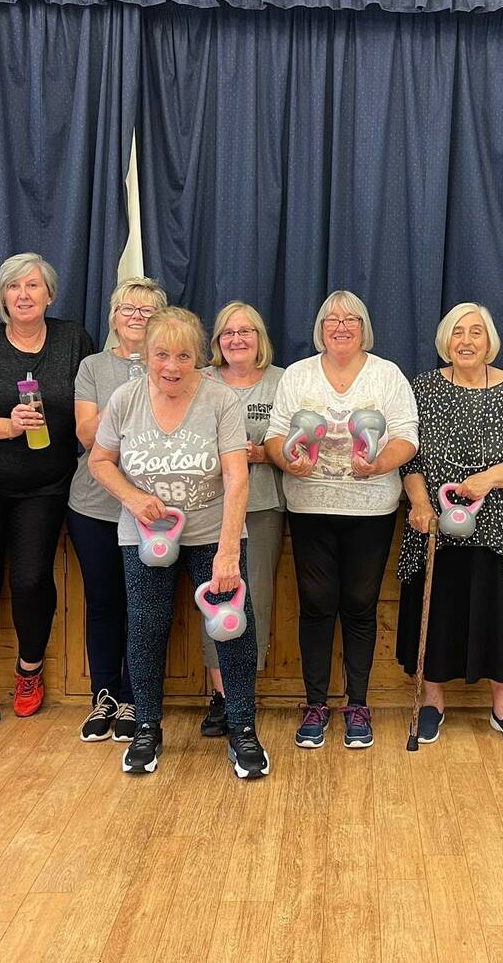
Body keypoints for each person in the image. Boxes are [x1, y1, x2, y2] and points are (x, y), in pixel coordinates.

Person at [87, 307, 266, 778]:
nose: (171, 366)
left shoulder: (220, 399)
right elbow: (100, 460)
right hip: (145, 536)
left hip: (212, 531)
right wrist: (133, 496)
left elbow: (236, 475)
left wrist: (229, 550)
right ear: (146, 355)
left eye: (183, 355)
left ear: (198, 358)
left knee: (233, 629)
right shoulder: (126, 399)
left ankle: (244, 730)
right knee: (146, 626)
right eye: (161, 354)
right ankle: (147, 727)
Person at [0, 253, 94, 742]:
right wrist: (9, 426)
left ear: (49, 294)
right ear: (2, 296)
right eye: (14, 287)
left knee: (31, 581)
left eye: (33, 286)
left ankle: (29, 669)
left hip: (47, 484)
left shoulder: (74, 339)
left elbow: (91, 407)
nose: (24, 294)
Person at [266, 290, 418, 750]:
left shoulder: (387, 374)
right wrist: (286, 460)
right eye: (331, 319)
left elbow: (408, 438)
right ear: (320, 328)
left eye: (351, 319)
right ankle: (315, 704)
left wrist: (379, 464)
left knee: (359, 605)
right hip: (310, 505)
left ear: (364, 327)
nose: (341, 326)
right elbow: (276, 436)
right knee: (315, 604)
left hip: (370, 508)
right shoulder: (298, 374)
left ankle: (358, 704)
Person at [397, 304, 503, 748]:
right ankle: (432, 702)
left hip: (500, 526)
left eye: (476, 332)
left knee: (498, 612)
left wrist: (488, 479)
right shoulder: (422, 388)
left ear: (490, 341)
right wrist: (421, 503)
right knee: (438, 609)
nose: (466, 340)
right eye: (457, 332)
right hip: (436, 526)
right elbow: (408, 454)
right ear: (445, 340)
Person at [68, 277, 167, 742]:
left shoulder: (172, 367)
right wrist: (128, 391)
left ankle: (135, 698)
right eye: (127, 309)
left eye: (146, 311)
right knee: (103, 602)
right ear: (113, 317)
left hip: (153, 508)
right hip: (96, 504)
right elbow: (89, 437)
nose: (135, 317)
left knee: (142, 607)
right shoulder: (92, 367)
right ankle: (104, 695)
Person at [200, 301, 286, 737]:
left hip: (263, 504)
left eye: (246, 331)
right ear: (217, 342)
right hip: (209, 510)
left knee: (256, 604)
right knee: (216, 601)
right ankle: (219, 697)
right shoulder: (201, 380)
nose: (237, 339)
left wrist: (263, 453)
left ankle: (242, 699)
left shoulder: (282, 381)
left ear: (260, 339)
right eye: (228, 332)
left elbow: (294, 446)